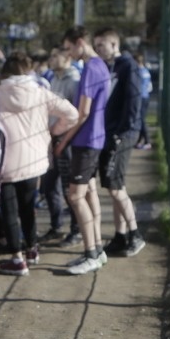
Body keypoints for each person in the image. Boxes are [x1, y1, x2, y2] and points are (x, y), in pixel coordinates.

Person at [0, 51, 78, 276]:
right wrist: (53, 131)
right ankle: (32, 250)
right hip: (34, 160)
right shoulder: (40, 91)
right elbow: (72, 114)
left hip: (3, 162)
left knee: (10, 211)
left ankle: (17, 258)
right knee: (28, 207)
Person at [56, 27, 111, 275]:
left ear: (79, 43)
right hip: (93, 139)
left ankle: (91, 252)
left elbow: (83, 112)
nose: (69, 53)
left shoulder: (90, 67)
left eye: (69, 48)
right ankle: (96, 250)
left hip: (86, 140)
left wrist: (63, 140)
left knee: (76, 196)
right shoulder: (100, 66)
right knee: (88, 192)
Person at [93, 28, 145, 257]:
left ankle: (135, 235)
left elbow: (134, 100)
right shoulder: (107, 66)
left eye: (101, 45)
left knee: (115, 187)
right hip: (110, 131)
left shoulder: (128, 66)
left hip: (122, 133)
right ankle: (120, 236)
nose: (98, 50)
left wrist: (123, 131)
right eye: (95, 46)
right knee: (113, 186)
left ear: (114, 44)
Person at [41, 46, 82, 241]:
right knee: (49, 185)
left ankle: (77, 229)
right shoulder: (53, 79)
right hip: (52, 139)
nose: (51, 59)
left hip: (67, 142)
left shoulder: (74, 81)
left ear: (67, 57)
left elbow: (77, 116)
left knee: (69, 188)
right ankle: (56, 225)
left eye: (55, 55)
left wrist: (65, 139)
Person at [135, 54, 153, 150]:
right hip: (146, 96)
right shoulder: (146, 71)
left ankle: (147, 141)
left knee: (141, 120)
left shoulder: (138, 72)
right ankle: (139, 140)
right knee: (141, 119)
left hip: (141, 97)